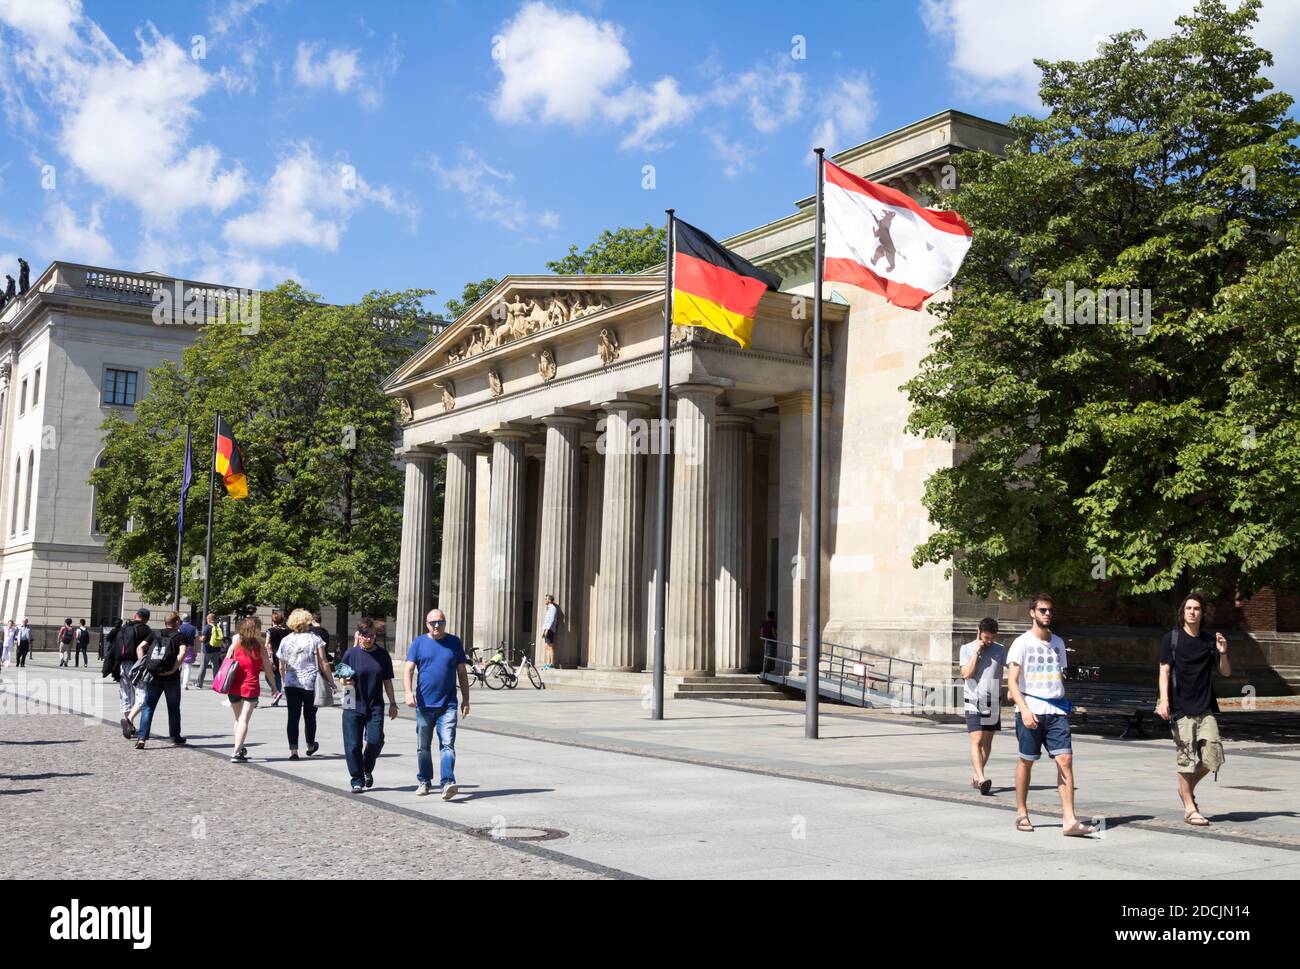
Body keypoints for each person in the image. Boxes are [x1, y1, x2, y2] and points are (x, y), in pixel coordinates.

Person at [1006, 593, 1096, 837]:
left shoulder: (1057, 642)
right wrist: (1024, 709)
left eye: (1050, 610)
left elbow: (1059, 675)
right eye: (1042, 610)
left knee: (1065, 759)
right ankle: (1022, 811)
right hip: (1031, 710)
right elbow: (1012, 682)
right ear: (1032, 612)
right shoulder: (1021, 643)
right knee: (1027, 760)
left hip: (1056, 711)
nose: (1047, 614)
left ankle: (1069, 819)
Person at [1157, 592, 1231, 827]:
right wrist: (1163, 700)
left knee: (1213, 758)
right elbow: (1164, 671)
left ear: (1202, 613)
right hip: (1181, 708)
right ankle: (1190, 808)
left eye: (1196, 609)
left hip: (1205, 707)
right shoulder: (1172, 638)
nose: (1192, 612)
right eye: (1188, 608)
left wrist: (1223, 651)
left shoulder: (1209, 641)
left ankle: (1184, 789)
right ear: (1183, 612)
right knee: (1186, 759)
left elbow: (1226, 672)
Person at [404, 608, 471, 800]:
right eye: (432, 622)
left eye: (440, 622)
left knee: (447, 744)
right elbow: (408, 670)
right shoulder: (419, 643)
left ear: (445, 623)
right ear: (426, 624)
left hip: (448, 704)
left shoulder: (454, 642)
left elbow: (462, 673)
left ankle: (448, 782)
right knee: (423, 747)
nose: (436, 626)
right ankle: (424, 781)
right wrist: (408, 693)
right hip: (424, 705)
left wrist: (466, 699)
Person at [338, 618, 397, 793]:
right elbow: (342, 677)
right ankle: (357, 779)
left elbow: (387, 681)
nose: (369, 639)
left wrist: (393, 703)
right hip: (352, 701)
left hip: (374, 704)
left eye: (372, 635)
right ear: (359, 635)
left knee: (375, 740)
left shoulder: (382, 655)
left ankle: (366, 767)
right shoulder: (351, 654)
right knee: (353, 744)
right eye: (365, 635)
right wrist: (345, 680)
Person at [278, 608, 334, 760]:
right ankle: (310, 744)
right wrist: (331, 681)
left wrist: (284, 680)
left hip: (291, 682)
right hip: (310, 683)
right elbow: (324, 662)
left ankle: (293, 750)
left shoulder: (286, 640)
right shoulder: (315, 639)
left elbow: (281, 665)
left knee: (293, 716)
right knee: (310, 716)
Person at [959, 617, 1007, 796]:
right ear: (978, 632)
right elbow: (966, 674)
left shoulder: (1000, 650)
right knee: (976, 739)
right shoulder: (966, 649)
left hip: (993, 698)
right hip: (972, 698)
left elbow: (1013, 667)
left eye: (992, 638)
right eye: (986, 638)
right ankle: (981, 777)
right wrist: (976, 653)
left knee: (987, 741)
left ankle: (976, 776)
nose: (989, 641)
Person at [225, 616, 276, 763]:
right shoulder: (260, 648)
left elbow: (226, 665)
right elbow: (268, 670)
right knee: (244, 720)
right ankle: (236, 752)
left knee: (238, 719)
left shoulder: (235, 645)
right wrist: (274, 686)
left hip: (233, 686)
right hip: (250, 687)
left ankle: (240, 749)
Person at [134, 612, 187, 749]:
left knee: (148, 706)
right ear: (176, 622)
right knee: (174, 708)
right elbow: (182, 654)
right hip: (171, 678)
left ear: (165, 622)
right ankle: (175, 737)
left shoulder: (155, 634)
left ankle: (141, 737)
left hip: (154, 676)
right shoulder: (180, 636)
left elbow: (140, 647)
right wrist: (174, 669)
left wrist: (144, 663)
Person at [111, 609, 153, 739]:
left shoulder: (124, 628)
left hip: (123, 665)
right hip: (137, 666)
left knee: (126, 695)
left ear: (135, 616)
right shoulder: (146, 630)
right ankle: (128, 720)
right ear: (146, 619)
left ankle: (129, 726)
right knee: (143, 696)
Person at [195, 612, 224, 690]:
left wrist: (198, 638)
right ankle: (216, 685)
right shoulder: (220, 626)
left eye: (207, 618)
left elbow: (203, 639)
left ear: (209, 619)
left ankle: (199, 684)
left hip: (207, 650)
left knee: (203, 666)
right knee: (215, 667)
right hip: (217, 649)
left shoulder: (207, 627)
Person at [267, 610, 288, 706]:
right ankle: (287, 697)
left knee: (271, 676)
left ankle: (276, 693)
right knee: (282, 675)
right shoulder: (286, 631)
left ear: (273, 620)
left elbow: (267, 644)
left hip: (274, 655)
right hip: (284, 655)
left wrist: (268, 655)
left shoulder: (270, 631)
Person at [178, 613, 198, 689]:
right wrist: (196, 650)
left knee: (178, 666)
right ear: (190, 619)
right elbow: (196, 640)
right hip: (190, 648)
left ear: (182, 619)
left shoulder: (179, 627)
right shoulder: (194, 628)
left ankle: (176, 682)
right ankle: (185, 685)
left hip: (180, 648)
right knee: (187, 667)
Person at [539, 594, 558, 670]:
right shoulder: (549, 608)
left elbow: (551, 619)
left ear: (550, 600)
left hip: (550, 629)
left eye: (546, 599)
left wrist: (547, 629)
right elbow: (546, 620)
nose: (545, 600)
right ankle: (547, 663)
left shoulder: (552, 608)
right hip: (547, 629)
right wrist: (543, 631)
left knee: (550, 647)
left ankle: (551, 664)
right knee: (547, 647)